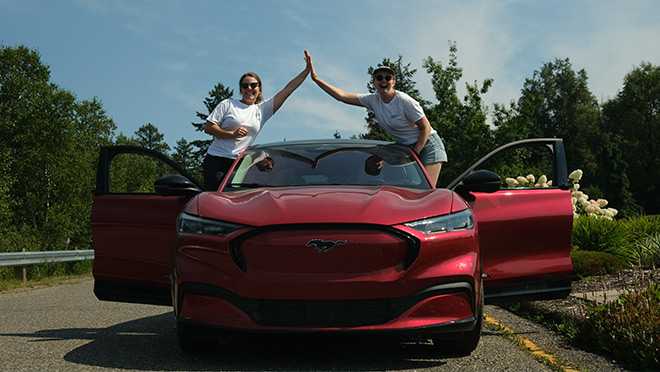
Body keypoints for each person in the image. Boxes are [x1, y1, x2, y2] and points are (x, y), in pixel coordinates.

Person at [305, 50, 447, 185]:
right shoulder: (372, 100)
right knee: (375, 154)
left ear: (393, 82)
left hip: (427, 144)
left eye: (388, 78)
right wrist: (316, 79)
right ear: (374, 83)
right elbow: (341, 96)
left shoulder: (404, 101)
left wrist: (415, 154)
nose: (383, 80)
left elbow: (425, 128)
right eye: (379, 78)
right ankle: (375, 181)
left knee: (427, 191)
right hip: (405, 147)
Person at [202, 53, 311, 190]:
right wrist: (232, 134)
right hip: (217, 160)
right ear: (241, 89)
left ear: (259, 89)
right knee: (217, 198)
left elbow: (287, 90)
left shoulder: (262, 110)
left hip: (240, 164)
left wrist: (306, 71)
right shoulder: (228, 104)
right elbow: (209, 128)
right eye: (245, 86)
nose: (249, 89)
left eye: (253, 85)